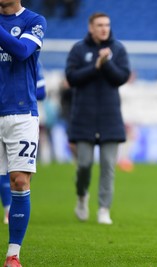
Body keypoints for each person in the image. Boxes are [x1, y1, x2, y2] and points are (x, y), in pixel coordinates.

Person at [65, 12, 130, 225]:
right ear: (91, 27)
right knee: (84, 164)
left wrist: (107, 63)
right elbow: (71, 78)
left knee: (108, 165)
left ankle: (104, 208)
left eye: (107, 25)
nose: (104, 28)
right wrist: (96, 66)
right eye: (100, 25)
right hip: (83, 116)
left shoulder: (118, 49)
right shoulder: (78, 49)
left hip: (110, 117)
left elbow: (121, 77)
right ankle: (82, 196)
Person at [0, 1, 47, 266]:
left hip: (21, 114)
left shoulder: (34, 20)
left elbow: (20, 50)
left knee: (19, 180)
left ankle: (13, 254)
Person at [1, 60, 47, 226]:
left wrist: (18, 90)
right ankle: (8, 208)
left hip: (22, 116)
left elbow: (42, 91)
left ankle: (10, 209)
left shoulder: (31, 58)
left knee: (19, 176)